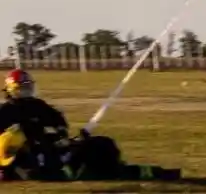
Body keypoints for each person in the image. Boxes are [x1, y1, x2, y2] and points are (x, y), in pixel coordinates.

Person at [0, 69, 180, 182]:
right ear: (10, 90)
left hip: (54, 151)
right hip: (31, 158)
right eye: (20, 88)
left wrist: (62, 136)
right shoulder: (4, 112)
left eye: (27, 88)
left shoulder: (39, 105)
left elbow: (58, 122)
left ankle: (156, 173)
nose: (25, 92)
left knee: (102, 144)